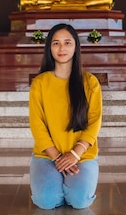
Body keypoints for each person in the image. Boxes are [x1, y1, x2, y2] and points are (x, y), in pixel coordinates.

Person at [29, 23, 103, 210]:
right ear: (49, 48)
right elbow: (37, 124)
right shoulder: (40, 83)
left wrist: (75, 154)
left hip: (82, 155)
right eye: (56, 43)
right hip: (47, 155)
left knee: (80, 201)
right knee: (46, 201)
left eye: (67, 42)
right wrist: (57, 158)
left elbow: (94, 122)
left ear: (76, 47)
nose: (62, 48)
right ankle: (57, 186)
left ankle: (70, 186)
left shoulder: (90, 82)